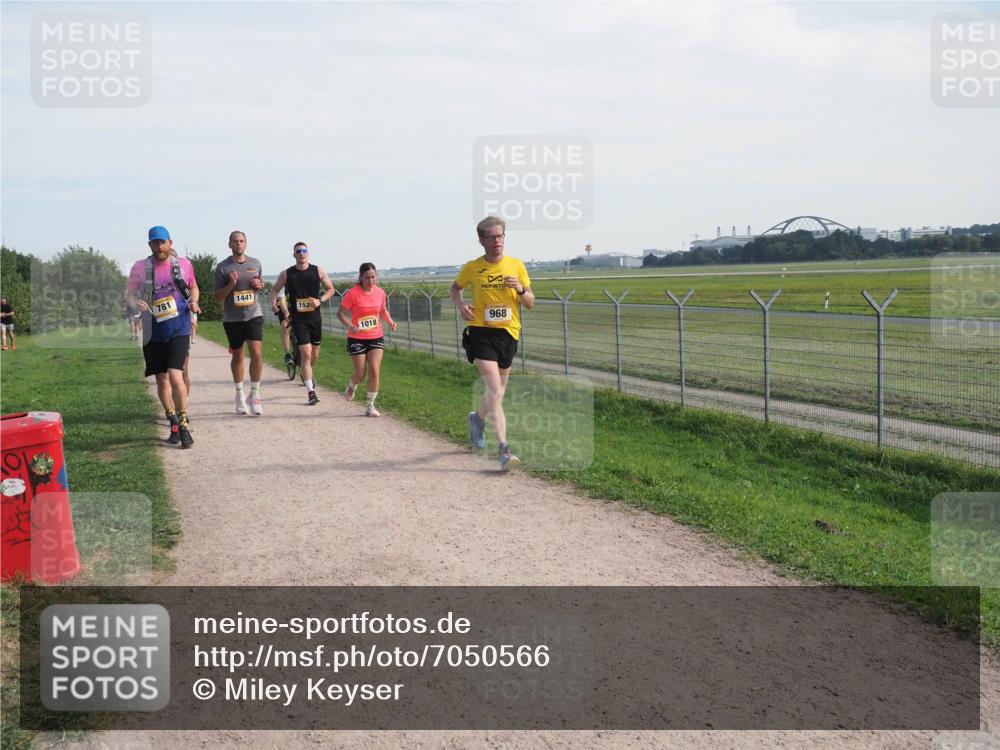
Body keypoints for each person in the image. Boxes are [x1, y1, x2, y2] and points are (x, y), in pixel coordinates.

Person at [449, 216, 533, 471]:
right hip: (480, 333)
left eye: (500, 236)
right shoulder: (473, 267)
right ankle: (504, 450)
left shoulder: (516, 265)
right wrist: (461, 306)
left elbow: (530, 302)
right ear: (482, 240)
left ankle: (477, 419)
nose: (497, 241)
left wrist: (520, 289)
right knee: (495, 391)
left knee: (498, 391)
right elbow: (455, 288)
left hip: (508, 334)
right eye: (492, 237)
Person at [126, 226, 200, 448]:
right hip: (153, 332)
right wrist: (136, 303)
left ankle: (183, 424)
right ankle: (172, 419)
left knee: (176, 376)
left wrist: (194, 301)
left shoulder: (184, 264)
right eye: (155, 243)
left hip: (179, 328)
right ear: (150, 245)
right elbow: (129, 295)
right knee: (162, 379)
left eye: (163, 242)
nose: (159, 246)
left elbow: (194, 287)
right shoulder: (140, 268)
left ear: (170, 242)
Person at [269, 242, 335, 405]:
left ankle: (306, 374)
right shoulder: (287, 274)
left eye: (304, 251)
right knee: (306, 353)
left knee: (314, 355)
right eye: (298, 251)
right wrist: (273, 303)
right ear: (294, 255)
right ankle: (311, 392)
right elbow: (275, 290)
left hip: (315, 319)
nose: (301, 253)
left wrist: (320, 300)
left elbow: (331, 289)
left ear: (308, 253)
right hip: (298, 320)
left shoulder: (318, 270)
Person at [214, 230, 265, 415]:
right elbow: (218, 297)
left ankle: (255, 394)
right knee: (238, 356)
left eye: (242, 241)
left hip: (254, 314)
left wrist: (260, 285)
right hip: (233, 318)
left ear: (246, 243)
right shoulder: (222, 267)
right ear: (229, 244)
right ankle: (239, 394)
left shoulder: (255, 263)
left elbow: (261, 284)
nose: (239, 244)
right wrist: (231, 284)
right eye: (235, 241)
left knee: (257, 353)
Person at [337, 263, 397, 417]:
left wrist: (390, 322)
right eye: (367, 278)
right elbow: (340, 313)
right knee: (360, 373)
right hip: (357, 338)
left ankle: (370, 405)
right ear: (361, 278)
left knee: (375, 371)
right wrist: (350, 326)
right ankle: (352, 384)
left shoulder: (380, 292)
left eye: (373, 277)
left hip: (376, 336)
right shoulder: (353, 293)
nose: (370, 281)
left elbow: (383, 311)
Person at [272, 292, 293, 367]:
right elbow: (282, 301)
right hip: (283, 303)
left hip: (296, 303)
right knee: (285, 325)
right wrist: (286, 313)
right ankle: (287, 353)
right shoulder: (282, 285)